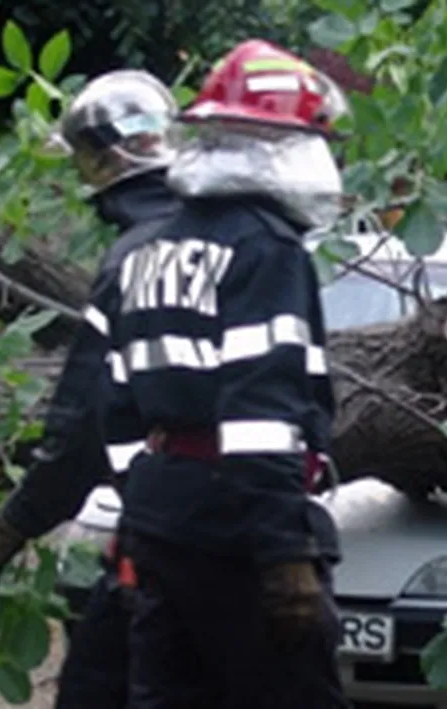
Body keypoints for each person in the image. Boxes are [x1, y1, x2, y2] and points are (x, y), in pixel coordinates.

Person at [106, 40, 350, 708]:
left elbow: (118, 404)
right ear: (284, 148)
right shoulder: (265, 249)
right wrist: (283, 554)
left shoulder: (151, 247)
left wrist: (148, 510)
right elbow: (260, 415)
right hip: (239, 538)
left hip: (162, 524)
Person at [0, 69, 183, 709]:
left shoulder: (134, 259)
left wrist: (11, 527)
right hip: (242, 530)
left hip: (164, 532)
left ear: (103, 161)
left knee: (96, 692)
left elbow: (83, 416)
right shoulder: (231, 239)